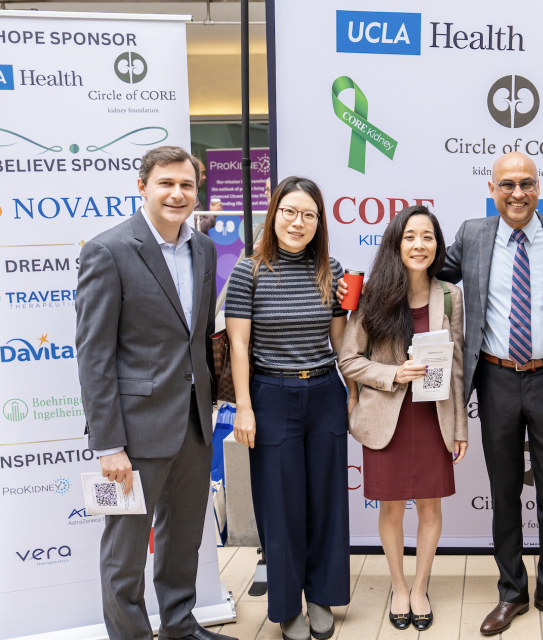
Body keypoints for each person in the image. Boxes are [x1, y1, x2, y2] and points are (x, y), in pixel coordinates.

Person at [337, 152, 543, 636]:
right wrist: (355, 288)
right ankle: (511, 591)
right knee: (501, 491)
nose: (517, 193)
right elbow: (421, 265)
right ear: (492, 188)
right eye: (507, 185)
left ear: (539, 187)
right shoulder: (472, 235)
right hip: (495, 379)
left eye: (527, 183)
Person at [76, 146, 234, 640]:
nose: (177, 193)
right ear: (142, 186)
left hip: (192, 421)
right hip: (134, 431)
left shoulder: (204, 249)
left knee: (183, 537)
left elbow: (198, 335)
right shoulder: (108, 250)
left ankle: (181, 626)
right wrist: (108, 445)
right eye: (166, 183)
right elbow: (94, 355)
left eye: (187, 185)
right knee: (124, 551)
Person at [224, 176, 349, 640]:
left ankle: (320, 595)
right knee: (281, 507)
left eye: (309, 215)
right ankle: (286, 603)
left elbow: (339, 342)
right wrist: (244, 407)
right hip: (270, 397)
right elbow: (239, 345)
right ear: (273, 214)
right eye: (290, 212)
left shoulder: (331, 271)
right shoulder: (249, 270)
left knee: (326, 502)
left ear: (319, 222)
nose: (299, 222)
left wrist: (353, 391)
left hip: (324, 395)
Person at [338, 205, 468, 632]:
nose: (419, 244)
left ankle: (420, 587)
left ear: (437, 245)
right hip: (385, 419)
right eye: (410, 236)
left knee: (430, 508)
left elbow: (459, 366)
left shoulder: (450, 294)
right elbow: (349, 360)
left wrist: (460, 427)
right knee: (391, 509)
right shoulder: (373, 294)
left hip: (434, 416)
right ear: (396, 243)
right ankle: (398, 586)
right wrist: (393, 374)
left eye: (427, 237)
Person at [194, 156, 222, 235]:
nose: (204, 177)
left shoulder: (194, 194)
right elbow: (199, 226)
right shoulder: (191, 196)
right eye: (202, 173)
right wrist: (213, 213)